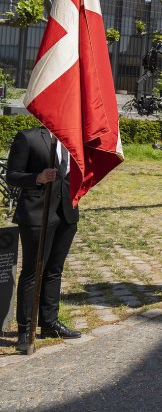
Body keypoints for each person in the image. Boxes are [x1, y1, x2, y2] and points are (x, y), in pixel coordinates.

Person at [6, 127, 81, 353]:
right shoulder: (28, 137)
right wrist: (36, 178)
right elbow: (12, 175)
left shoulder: (73, 137)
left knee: (54, 270)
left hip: (66, 213)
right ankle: (25, 329)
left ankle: (49, 322)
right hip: (37, 214)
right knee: (32, 272)